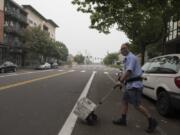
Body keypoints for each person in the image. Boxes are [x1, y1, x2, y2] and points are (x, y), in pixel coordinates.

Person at [113, 42, 158, 133]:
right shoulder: (126, 59)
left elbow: (129, 71)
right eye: (121, 49)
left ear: (128, 48)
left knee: (137, 105)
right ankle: (123, 119)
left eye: (124, 48)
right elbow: (126, 71)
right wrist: (120, 77)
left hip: (135, 86)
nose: (122, 50)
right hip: (129, 85)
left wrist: (120, 81)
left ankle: (152, 121)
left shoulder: (131, 57)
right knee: (125, 101)